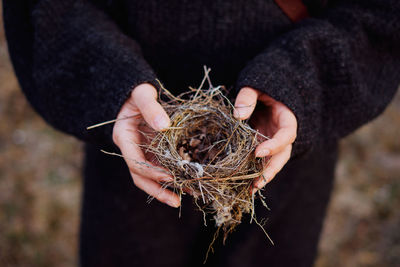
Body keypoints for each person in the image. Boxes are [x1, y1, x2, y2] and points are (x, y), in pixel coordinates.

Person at [3, 0, 400, 266]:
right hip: (139, 145)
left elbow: (380, 14)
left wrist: (303, 82)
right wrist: (108, 76)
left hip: (280, 145)